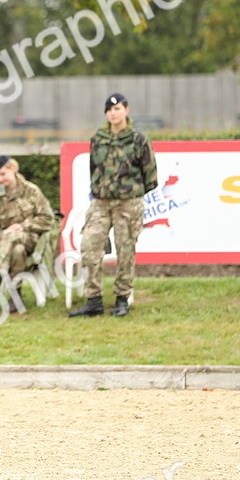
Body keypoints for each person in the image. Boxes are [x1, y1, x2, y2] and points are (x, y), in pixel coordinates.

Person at [69, 92, 158, 318]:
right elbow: (94, 170)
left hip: (128, 204)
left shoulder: (138, 140)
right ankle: (94, 300)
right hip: (101, 203)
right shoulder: (98, 138)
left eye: (117, 109)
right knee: (89, 247)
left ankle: (122, 298)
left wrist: (130, 193)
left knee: (125, 251)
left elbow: (151, 176)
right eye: (109, 110)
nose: (113, 113)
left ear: (126, 110)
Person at [0, 155, 55, 313]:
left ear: (13, 169)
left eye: (3, 174)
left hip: (30, 237)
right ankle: (15, 295)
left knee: (13, 235)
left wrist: (23, 226)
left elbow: (48, 219)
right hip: (5, 242)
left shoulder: (31, 191)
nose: (0, 179)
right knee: (17, 249)